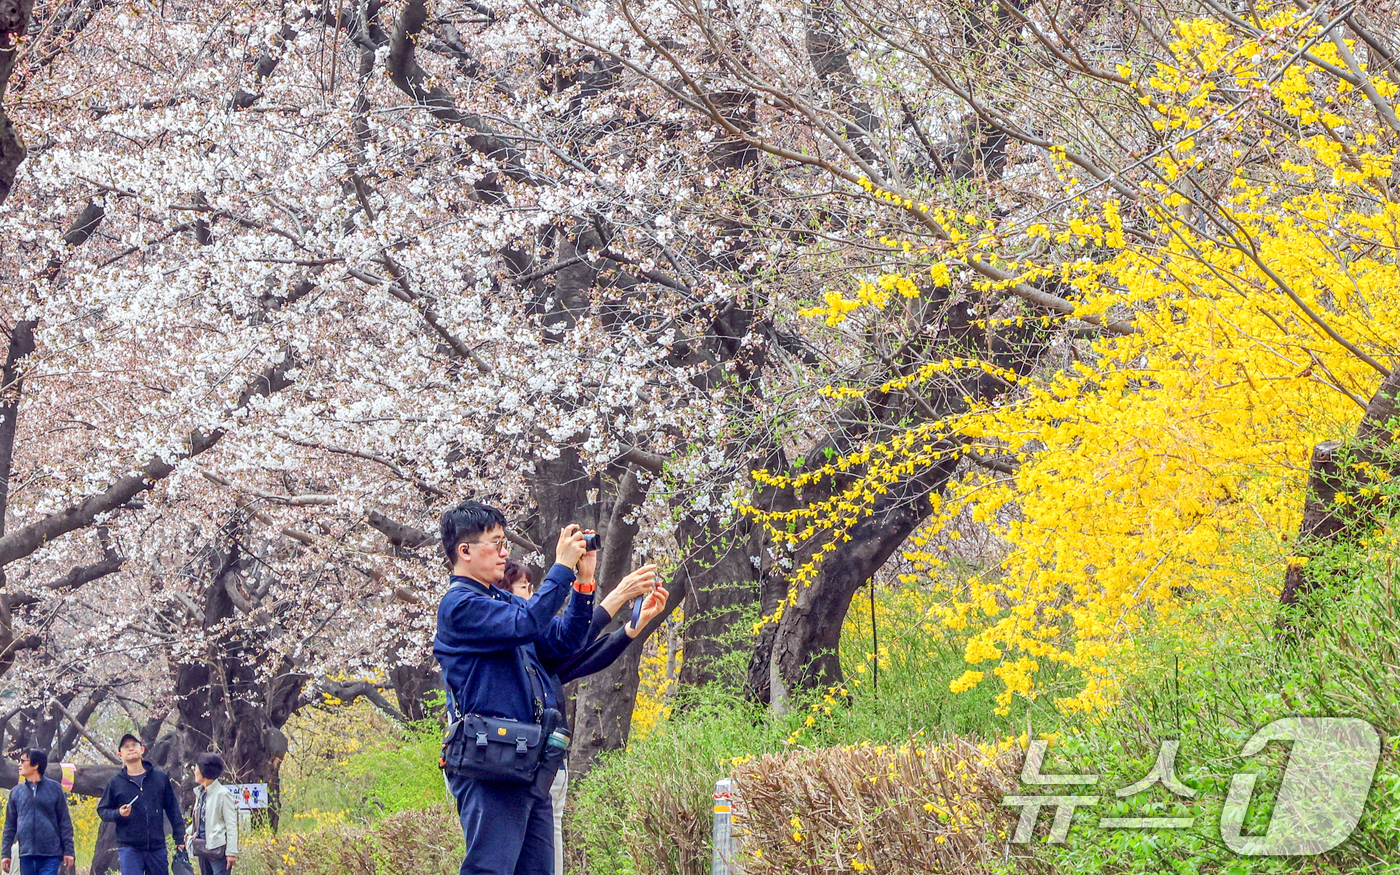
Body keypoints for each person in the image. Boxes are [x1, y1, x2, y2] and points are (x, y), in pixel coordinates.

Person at [433, 500, 596, 875]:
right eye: (497, 542)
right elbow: (525, 622)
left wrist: (583, 583)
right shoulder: (459, 606)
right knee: (490, 869)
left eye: (506, 542)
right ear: (465, 550)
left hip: (527, 760)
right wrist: (560, 567)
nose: (506, 552)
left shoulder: (502, 601)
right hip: (490, 762)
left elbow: (562, 641)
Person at [535, 564, 670, 875]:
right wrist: (619, 594)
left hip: (551, 767)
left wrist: (630, 630)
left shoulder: (539, 661)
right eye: (523, 594)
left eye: (532, 592)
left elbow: (583, 655)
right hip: (522, 769)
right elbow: (573, 640)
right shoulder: (513, 646)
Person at [97, 735, 186, 875]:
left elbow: (172, 809)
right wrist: (118, 813)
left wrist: (179, 837)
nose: (131, 748)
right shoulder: (115, 783)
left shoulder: (160, 778)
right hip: (129, 848)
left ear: (142, 749)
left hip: (156, 847)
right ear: (120, 754)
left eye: (134, 745)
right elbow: (102, 811)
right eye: (126, 747)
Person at [1, 749, 75, 875]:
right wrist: (5, 854)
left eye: (23, 761)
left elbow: (64, 822)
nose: (19, 764)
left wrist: (69, 851)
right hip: (25, 854)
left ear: (36, 765)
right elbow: (10, 826)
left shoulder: (55, 788)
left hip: (51, 854)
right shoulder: (16, 792)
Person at [190, 754, 237, 875]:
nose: (194, 771)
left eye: (196, 767)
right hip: (202, 847)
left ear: (204, 771)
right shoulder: (200, 792)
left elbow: (231, 824)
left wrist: (231, 853)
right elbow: (199, 820)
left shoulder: (223, 794)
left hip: (217, 849)